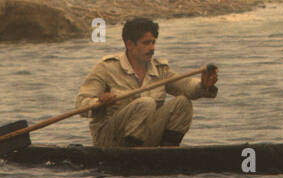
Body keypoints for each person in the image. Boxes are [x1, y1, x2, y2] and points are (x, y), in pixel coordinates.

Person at [75, 17, 218, 148]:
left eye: (153, 42)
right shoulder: (106, 67)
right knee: (146, 103)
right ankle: (130, 156)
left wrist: (204, 84)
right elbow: (81, 103)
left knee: (183, 103)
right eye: (146, 43)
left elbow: (186, 87)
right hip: (109, 139)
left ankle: (167, 152)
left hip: (143, 137)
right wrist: (99, 102)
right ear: (130, 44)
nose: (152, 48)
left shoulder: (160, 69)